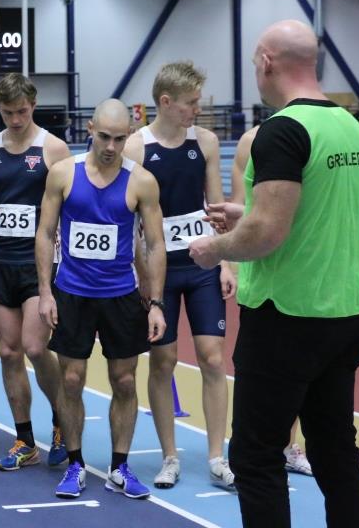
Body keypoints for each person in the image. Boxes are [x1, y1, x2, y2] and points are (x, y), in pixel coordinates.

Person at [191, 20, 359, 527]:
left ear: (266, 61)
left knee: (255, 456)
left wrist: (216, 248)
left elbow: (267, 233)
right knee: (336, 449)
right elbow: (315, 206)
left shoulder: (282, 130)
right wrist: (243, 212)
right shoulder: (350, 126)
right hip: (345, 314)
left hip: (286, 317)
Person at [36, 99, 167, 500]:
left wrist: (157, 302)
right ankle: (75, 464)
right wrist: (45, 292)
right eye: (104, 136)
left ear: (130, 135)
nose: (111, 146)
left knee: (124, 380)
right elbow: (44, 234)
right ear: (90, 129)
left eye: (120, 138)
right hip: (73, 294)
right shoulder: (63, 174)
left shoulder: (142, 181)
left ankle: (120, 466)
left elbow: (156, 244)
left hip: (121, 296)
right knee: (72, 379)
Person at [122, 61, 235, 490]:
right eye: (190, 104)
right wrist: (142, 277)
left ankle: (216, 456)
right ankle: (169, 456)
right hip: (159, 272)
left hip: (203, 265)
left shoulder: (204, 141)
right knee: (164, 361)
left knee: (211, 357)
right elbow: (130, 219)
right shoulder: (137, 147)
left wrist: (226, 261)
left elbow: (217, 207)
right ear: (166, 103)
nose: (197, 110)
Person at [0, 73, 68, 472]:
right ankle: (25, 439)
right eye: (7, 112)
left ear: (34, 104)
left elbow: (67, 205)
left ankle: (62, 421)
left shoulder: (53, 148)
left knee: (36, 347)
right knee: (9, 352)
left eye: (22, 111)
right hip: (1, 261)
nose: (15, 119)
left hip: (39, 262)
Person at [231, 126, 314, 479]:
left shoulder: (311, 139)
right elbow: (242, 208)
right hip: (262, 285)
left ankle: (288, 446)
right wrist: (228, 260)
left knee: (301, 377)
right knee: (264, 384)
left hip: (303, 280)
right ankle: (255, 448)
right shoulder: (251, 143)